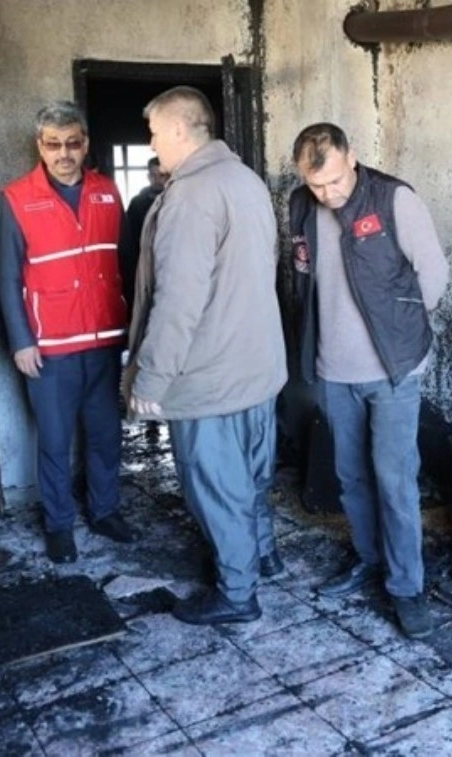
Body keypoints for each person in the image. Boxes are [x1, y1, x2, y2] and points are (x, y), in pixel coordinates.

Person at [124, 86, 286, 625]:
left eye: (154, 134)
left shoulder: (191, 195)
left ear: (179, 130)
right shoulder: (246, 180)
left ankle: (238, 594)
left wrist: (151, 378)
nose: (152, 146)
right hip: (256, 364)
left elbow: (178, 299)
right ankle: (264, 554)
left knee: (217, 487)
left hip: (210, 375)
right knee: (252, 475)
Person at [288, 122, 450, 639]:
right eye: (316, 185)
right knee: (351, 475)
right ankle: (369, 558)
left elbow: (434, 274)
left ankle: (406, 588)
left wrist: (403, 331)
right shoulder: (301, 206)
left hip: (393, 369)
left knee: (394, 478)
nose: (328, 194)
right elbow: (303, 278)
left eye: (335, 180)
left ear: (351, 157)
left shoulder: (394, 199)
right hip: (334, 370)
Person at [0, 101, 140, 564]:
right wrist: (21, 340)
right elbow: (7, 277)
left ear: (86, 144)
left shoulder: (107, 192)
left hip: (104, 339)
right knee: (56, 441)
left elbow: (126, 263)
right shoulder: (17, 198)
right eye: (54, 144)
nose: (64, 154)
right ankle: (59, 524)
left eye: (73, 143)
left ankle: (105, 510)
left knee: (106, 435)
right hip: (50, 347)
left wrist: (135, 328)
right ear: (40, 146)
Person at [118, 156, 166, 312]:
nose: (157, 180)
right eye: (153, 175)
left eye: (162, 175)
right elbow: (128, 239)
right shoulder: (137, 204)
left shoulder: (177, 200)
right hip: (142, 262)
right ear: (148, 176)